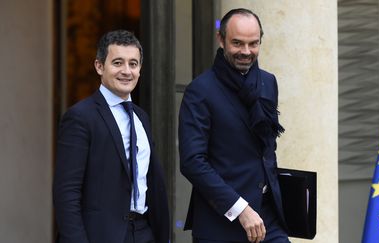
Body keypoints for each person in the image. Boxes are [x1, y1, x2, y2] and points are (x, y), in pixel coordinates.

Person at [179, 8, 290, 243]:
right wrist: (240, 208)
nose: (246, 52)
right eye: (237, 43)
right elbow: (192, 162)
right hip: (221, 225)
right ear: (221, 39)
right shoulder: (200, 91)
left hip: (268, 220)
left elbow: (266, 149)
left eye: (253, 44)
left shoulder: (268, 82)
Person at [53, 30, 169, 243]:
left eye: (133, 64)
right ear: (99, 66)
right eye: (117, 63)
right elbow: (66, 193)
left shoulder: (141, 117)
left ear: (140, 69)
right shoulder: (80, 117)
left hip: (144, 233)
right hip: (100, 235)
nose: (126, 71)